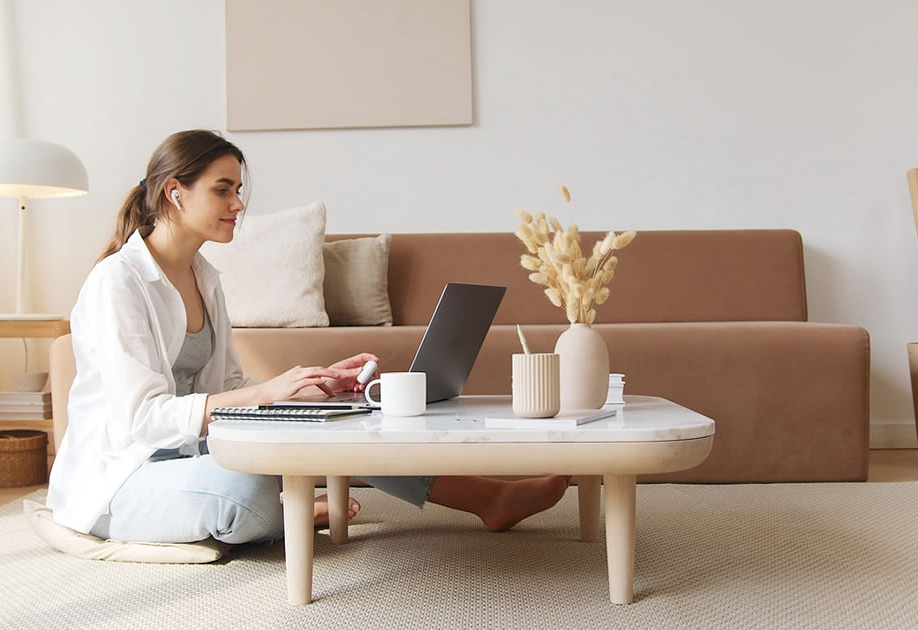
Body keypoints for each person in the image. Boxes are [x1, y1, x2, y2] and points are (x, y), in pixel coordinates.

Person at [46, 129, 570, 545]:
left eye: (238, 190)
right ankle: (289, 512)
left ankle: (488, 498)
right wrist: (267, 392)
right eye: (222, 189)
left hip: (190, 453)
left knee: (344, 422)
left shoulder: (205, 277)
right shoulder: (118, 283)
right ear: (174, 192)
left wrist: (309, 390)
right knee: (245, 486)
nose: (238, 203)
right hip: (122, 477)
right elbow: (142, 419)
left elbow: (228, 389)